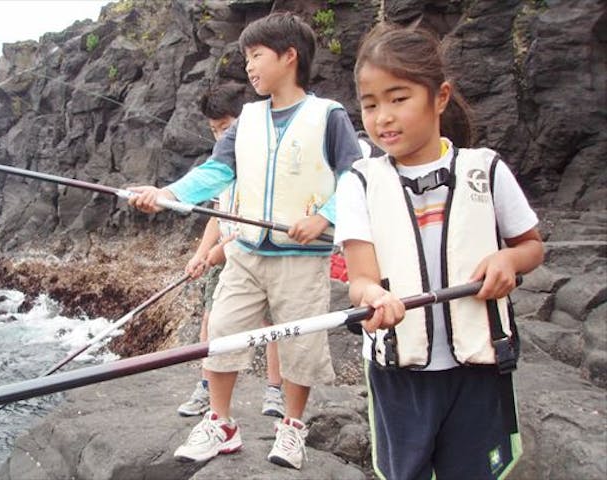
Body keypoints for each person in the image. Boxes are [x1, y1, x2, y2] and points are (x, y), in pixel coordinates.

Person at [128, 12, 363, 470]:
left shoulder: (328, 116)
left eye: (256, 56)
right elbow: (216, 172)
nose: (249, 67)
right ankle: (221, 423)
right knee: (222, 334)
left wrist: (325, 218)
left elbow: (354, 176)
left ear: (289, 56)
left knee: (299, 345)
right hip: (246, 252)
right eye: (246, 58)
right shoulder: (247, 120)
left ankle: (292, 428)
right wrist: (168, 194)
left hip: (303, 259)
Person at [335, 23, 544, 480]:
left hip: (479, 371)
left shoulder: (484, 170)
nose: (383, 117)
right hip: (400, 375)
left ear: (440, 97)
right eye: (370, 105)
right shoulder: (359, 183)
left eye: (398, 98)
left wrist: (508, 260)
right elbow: (361, 280)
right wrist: (374, 299)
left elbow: (530, 247)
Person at [177, 84, 285, 419]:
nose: (221, 136)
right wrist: (202, 254)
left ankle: (275, 391)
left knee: (272, 323)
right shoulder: (221, 163)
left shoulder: (266, 159)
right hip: (222, 259)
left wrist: (223, 249)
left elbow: (262, 218)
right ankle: (207, 388)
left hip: (258, 253)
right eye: (215, 130)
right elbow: (216, 215)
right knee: (212, 320)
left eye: (226, 127)